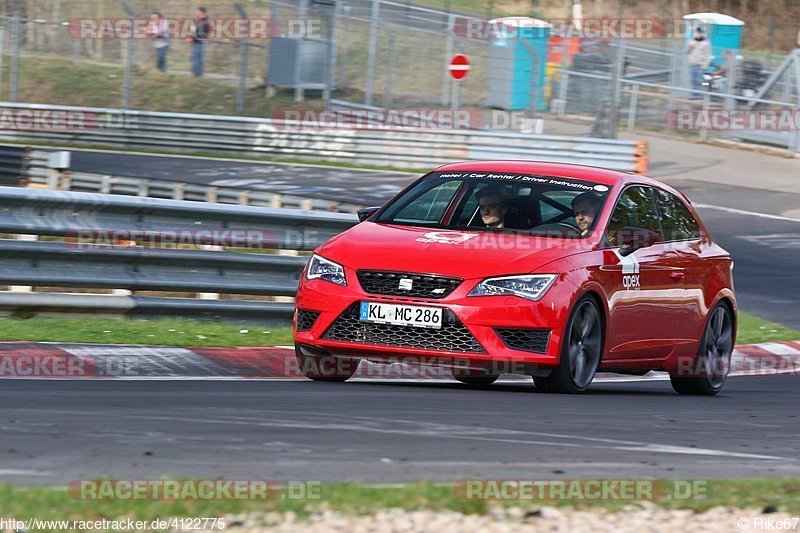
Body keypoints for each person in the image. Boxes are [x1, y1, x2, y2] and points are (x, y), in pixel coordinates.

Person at [686, 27, 711, 99]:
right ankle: (694, 95)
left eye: (697, 32)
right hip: (692, 64)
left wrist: (705, 65)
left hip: (700, 65)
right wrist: (692, 44)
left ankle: (700, 95)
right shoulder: (691, 41)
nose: (696, 34)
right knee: (693, 80)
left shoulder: (705, 43)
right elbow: (687, 51)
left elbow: (707, 54)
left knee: (700, 81)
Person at [191, 7, 212, 77]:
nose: (196, 13)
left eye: (198, 11)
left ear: (202, 12)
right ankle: (197, 74)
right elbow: (196, 31)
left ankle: (197, 75)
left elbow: (205, 33)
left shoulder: (205, 21)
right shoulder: (199, 21)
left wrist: (196, 35)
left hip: (200, 43)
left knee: (197, 59)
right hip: (196, 42)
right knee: (195, 59)